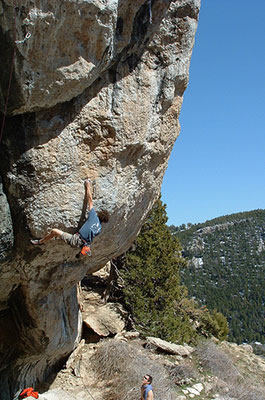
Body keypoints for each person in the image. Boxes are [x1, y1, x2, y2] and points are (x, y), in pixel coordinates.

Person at [30, 179, 109, 257]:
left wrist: (88, 186)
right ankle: (84, 249)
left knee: (54, 231)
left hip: (76, 240)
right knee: (84, 240)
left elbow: (90, 201)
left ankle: (40, 242)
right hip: (85, 242)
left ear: (100, 215)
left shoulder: (93, 216)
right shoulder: (99, 228)